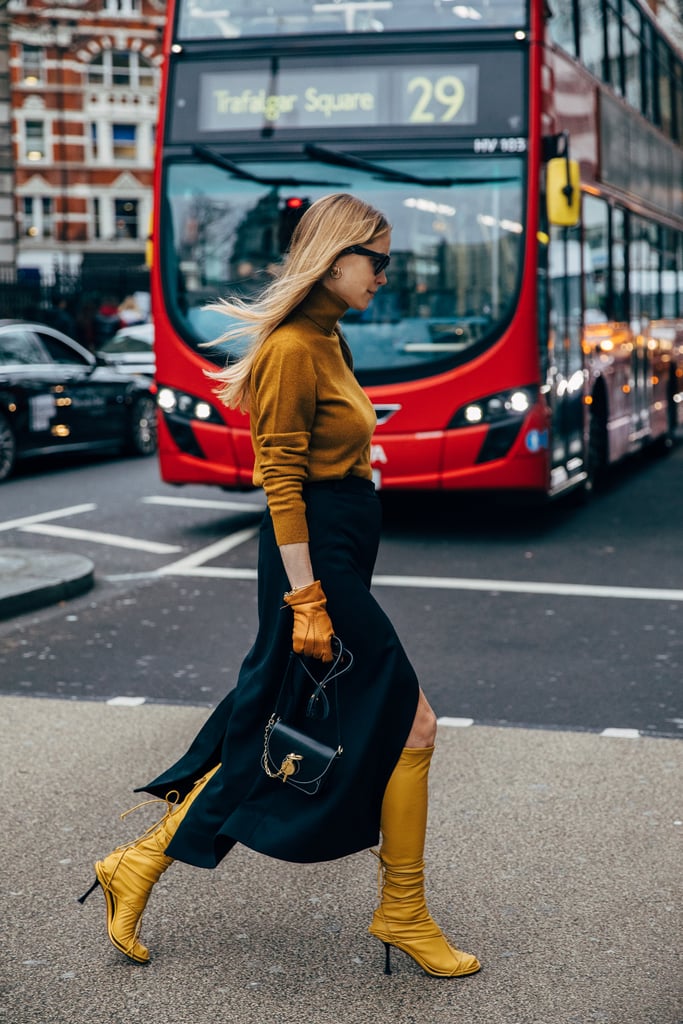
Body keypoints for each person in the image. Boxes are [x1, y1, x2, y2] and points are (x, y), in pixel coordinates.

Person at [78, 193, 480, 980]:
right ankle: (402, 909)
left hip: (336, 550)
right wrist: (308, 601)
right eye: (377, 260)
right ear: (334, 258)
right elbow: (280, 480)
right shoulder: (296, 347)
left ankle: (139, 863)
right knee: (411, 720)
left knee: (272, 718)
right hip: (315, 560)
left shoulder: (329, 339)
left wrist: (361, 476)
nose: (384, 276)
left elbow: (330, 452)